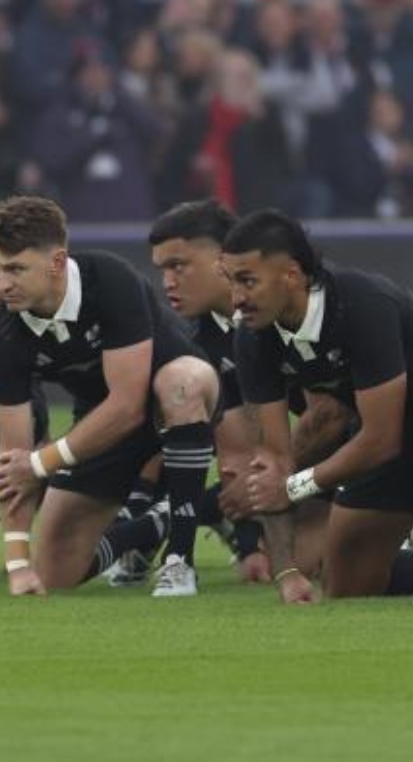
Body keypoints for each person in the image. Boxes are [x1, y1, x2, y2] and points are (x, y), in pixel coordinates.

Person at [222, 209, 413, 607]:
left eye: (247, 281)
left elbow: (379, 440)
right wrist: (288, 574)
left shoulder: (360, 302)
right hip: (392, 439)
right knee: (346, 584)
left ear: (291, 275)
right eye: (231, 281)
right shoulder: (253, 337)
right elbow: (273, 462)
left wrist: (295, 487)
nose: (236, 299)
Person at [0, 195, 220, 598]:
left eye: (16, 269)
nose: (2, 284)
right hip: (102, 422)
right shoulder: (3, 332)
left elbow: (128, 406)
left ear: (57, 262)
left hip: (176, 402)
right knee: (56, 574)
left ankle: (180, 559)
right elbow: (12, 457)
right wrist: (19, 565)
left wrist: (39, 463)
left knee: (180, 383)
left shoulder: (109, 280)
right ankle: (153, 525)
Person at [148, 200, 271, 583]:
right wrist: (251, 544)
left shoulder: (283, 312)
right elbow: (238, 452)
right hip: (281, 481)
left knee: (333, 564)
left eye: (178, 266)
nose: (168, 282)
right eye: (162, 270)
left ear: (222, 259)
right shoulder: (198, 343)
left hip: (345, 465)